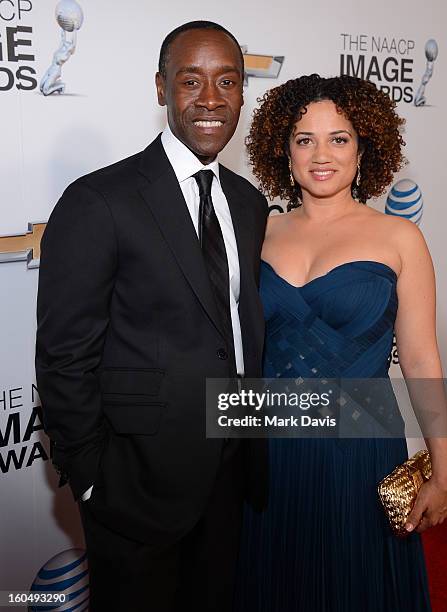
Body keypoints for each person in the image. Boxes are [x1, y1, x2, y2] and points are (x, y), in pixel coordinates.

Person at [35, 20, 269, 612]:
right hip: (133, 488)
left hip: (231, 474)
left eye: (227, 81)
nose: (211, 99)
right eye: (191, 81)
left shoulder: (247, 202)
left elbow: (234, 330)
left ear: (244, 92)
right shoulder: (100, 201)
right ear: (161, 88)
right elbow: (64, 356)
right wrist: (91, 478)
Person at [235, 74, 447, 611]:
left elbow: (422, 357)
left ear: (364, 148)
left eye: (339, 138)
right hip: (270, 451)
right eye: (304, 139)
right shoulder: (257, 231)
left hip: (359, 450)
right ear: (283, 152)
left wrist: (444, 469)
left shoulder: (399, 237)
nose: (320, 154)